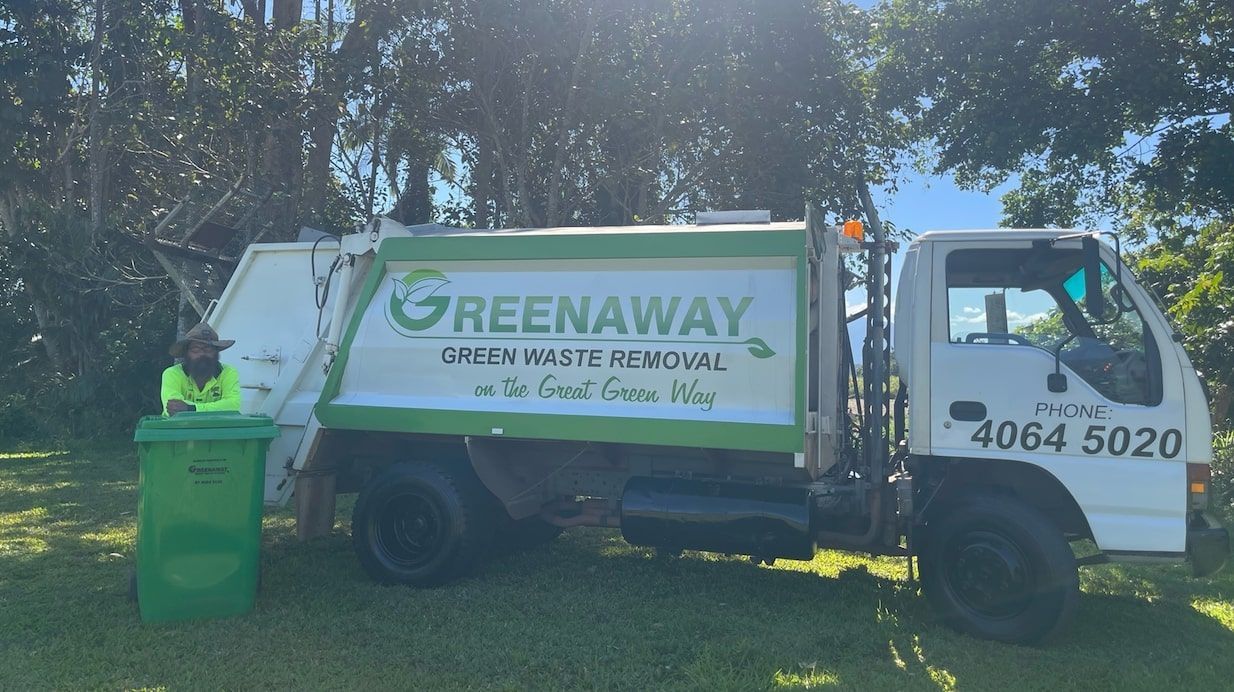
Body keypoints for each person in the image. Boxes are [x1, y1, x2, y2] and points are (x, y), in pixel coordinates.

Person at [161, 322, 242, 416]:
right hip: (178, 428)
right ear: (186, 353)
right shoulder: (172, 374)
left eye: (208, 349)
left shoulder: (228, 372)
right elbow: (172, 408)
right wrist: (217, 408)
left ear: (216, 352)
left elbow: (233, 406)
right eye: (196, 350)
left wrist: (192, 409)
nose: (202, 354)